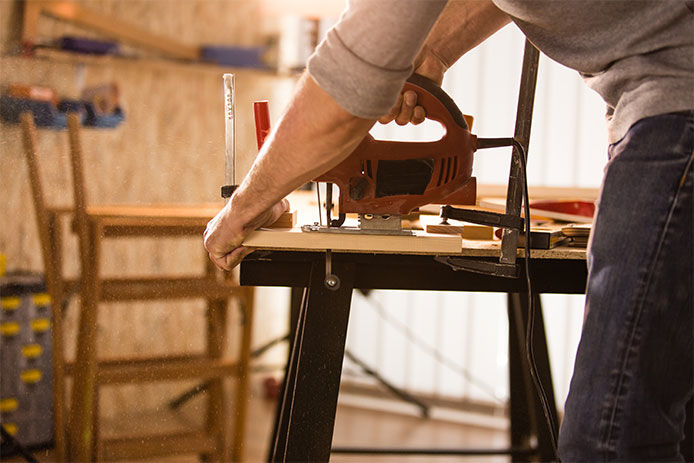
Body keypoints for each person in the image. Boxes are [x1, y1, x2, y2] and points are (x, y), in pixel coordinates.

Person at [204, 1, 693, 459]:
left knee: (610, 438)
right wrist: (431, 53)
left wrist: (244, 207)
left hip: (677, 111)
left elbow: (344, 91)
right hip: (666, 101)